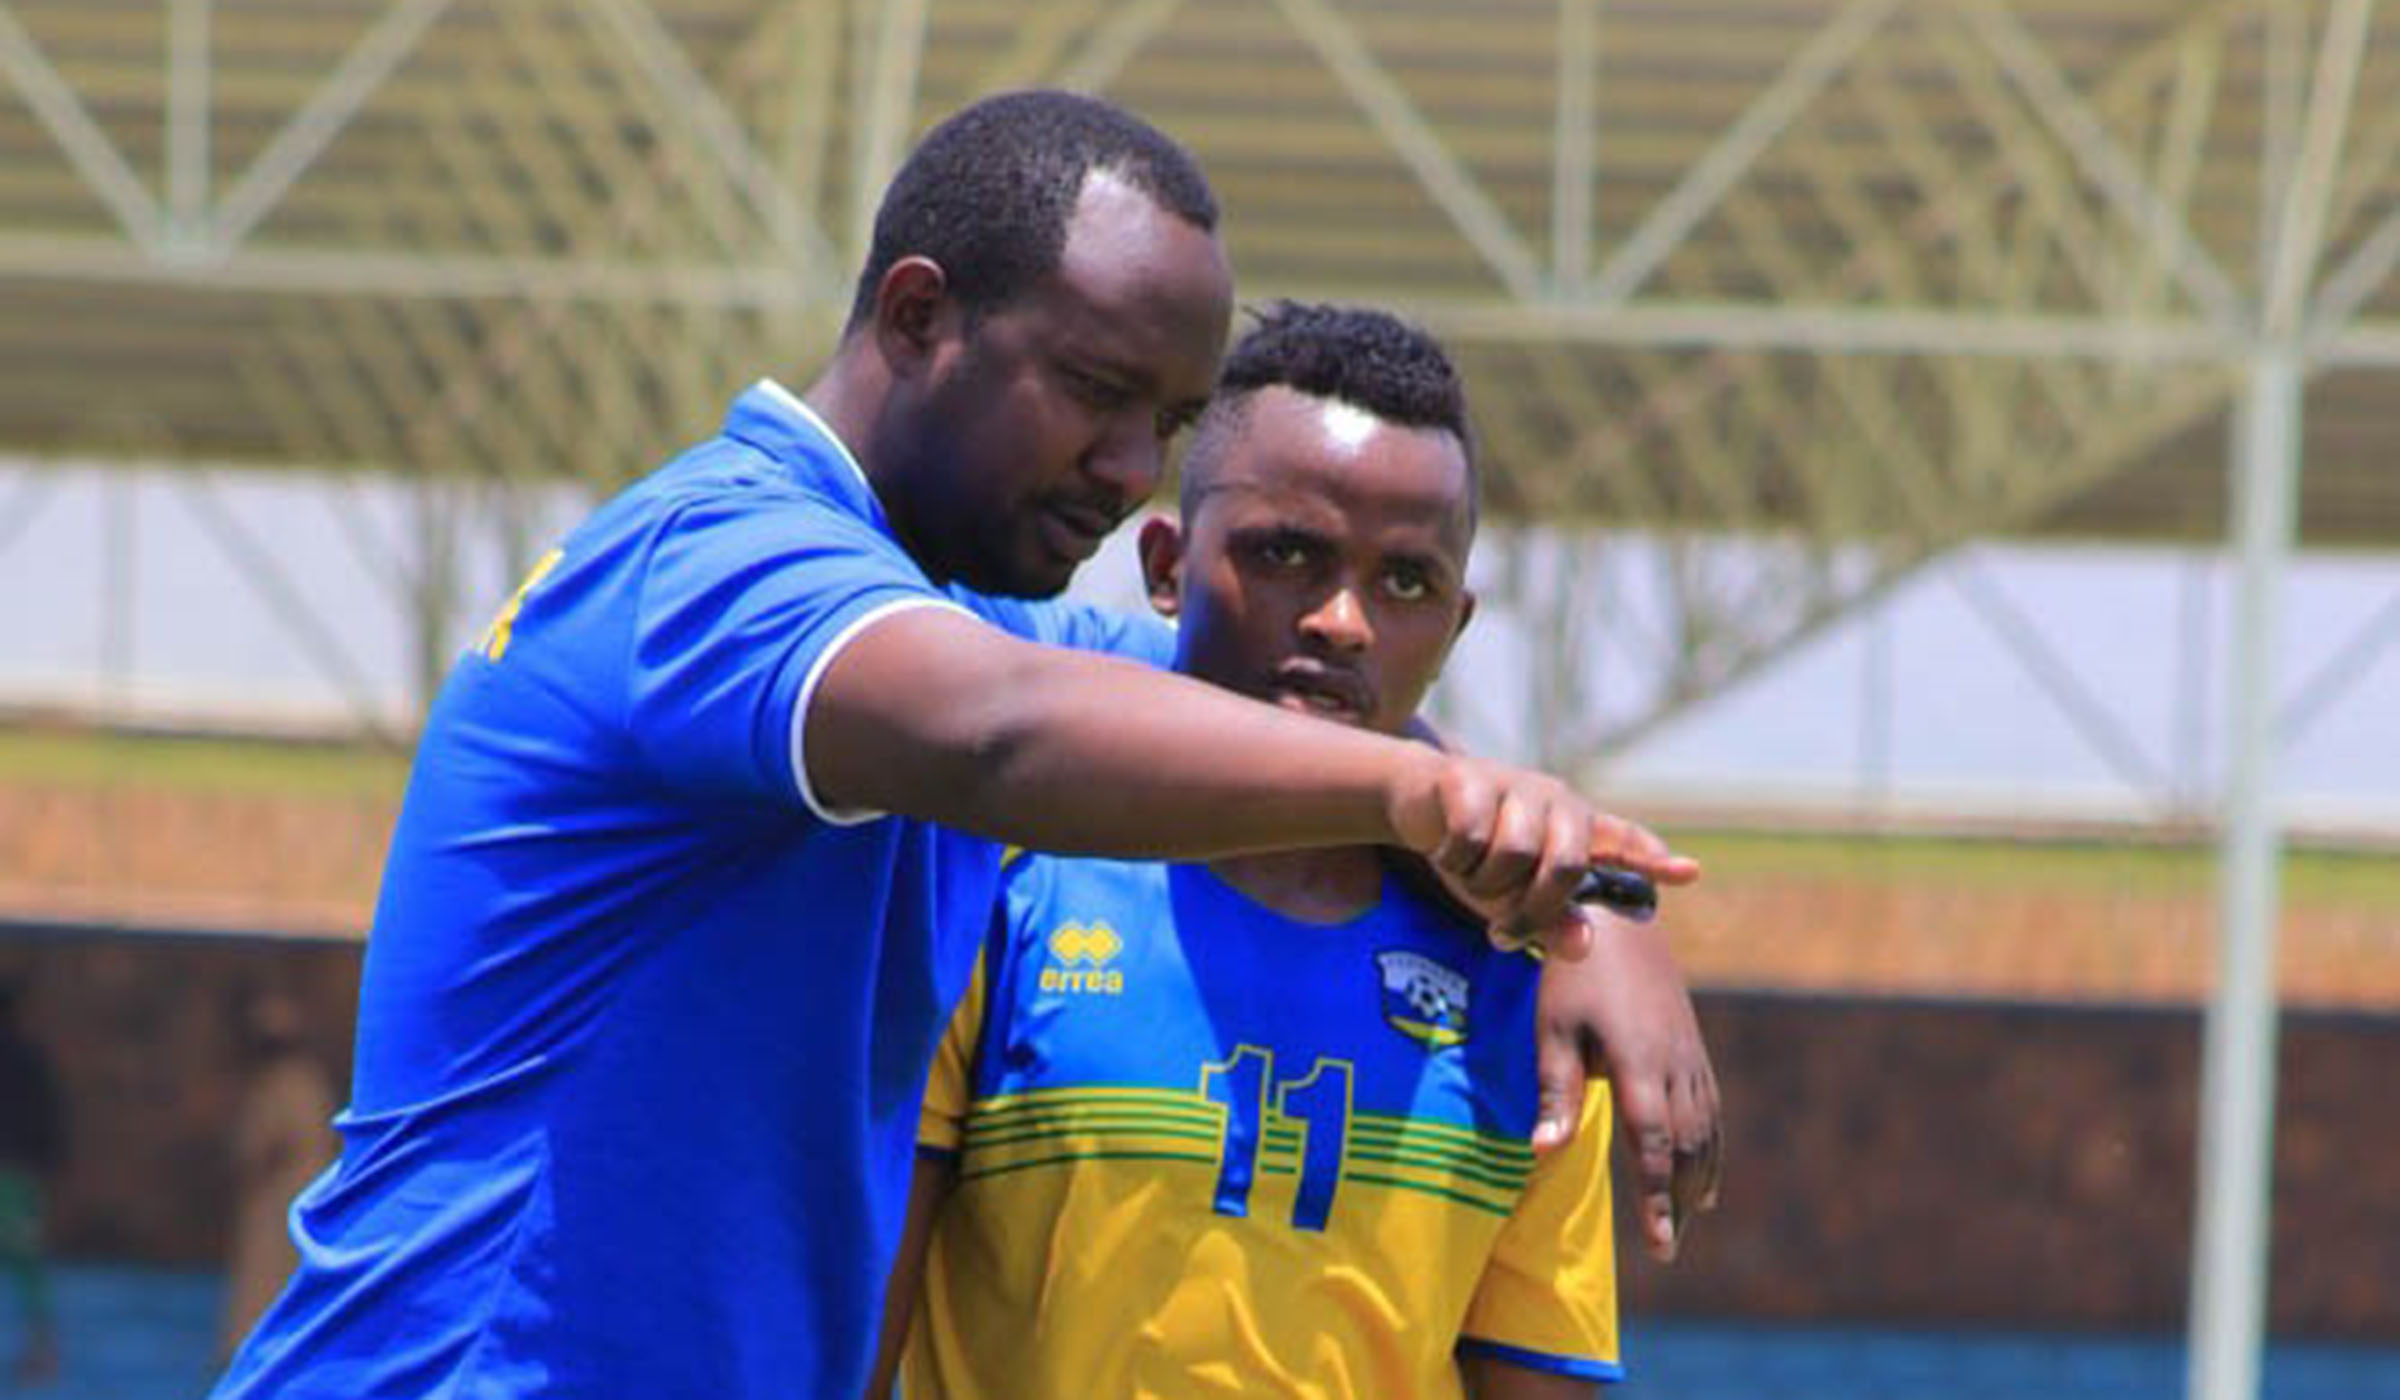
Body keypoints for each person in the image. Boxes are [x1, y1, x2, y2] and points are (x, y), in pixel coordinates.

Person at [212, 90, 1704, 1399]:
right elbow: (1002, 742)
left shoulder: (960, 624)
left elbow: (1278, 708)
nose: (1128, 474)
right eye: (1099, 393)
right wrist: (1429, 797)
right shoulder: (721, 565)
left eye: (1170, 422)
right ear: (919, 314)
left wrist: (1580, 903)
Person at [871, 302, 1652, 1399]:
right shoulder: (1001, 883)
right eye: (1289, 553)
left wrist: (1607, 933)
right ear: (1165, 565)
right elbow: (850, 1332)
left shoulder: (1525, 991)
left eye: (1406, 582)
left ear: (1457, 624)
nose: (1342, 618)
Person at [216, 989, 338, 1365]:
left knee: (267, 1286)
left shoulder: (285, 1084)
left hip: (280, 1198)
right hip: (301, 1197)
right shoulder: (305, 1082)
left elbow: (266, 1146)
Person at [0, 981, 62, 1389]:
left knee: (27, 1269)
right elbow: (48, 1123)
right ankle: (40, 1354)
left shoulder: (26, 1062)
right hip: (21, 1174)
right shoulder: (30, 1061)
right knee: (28, 1270)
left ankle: (40, 1354)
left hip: (16, 1174)